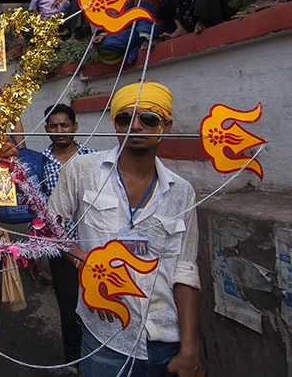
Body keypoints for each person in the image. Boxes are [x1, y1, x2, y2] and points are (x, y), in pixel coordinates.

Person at [49, 82, 204, 377]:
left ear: (166, 125)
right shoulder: (83, 170)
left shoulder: (181, 191)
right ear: (115, 124)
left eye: (148, 119)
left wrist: (190, 349)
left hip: (164, 338)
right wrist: (82, 259)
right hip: (105, 334)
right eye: (124, 118)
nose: (135, 126)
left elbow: (185, 269)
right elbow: (49, 227)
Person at [40, 104, 96, 366]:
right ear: (46, 129)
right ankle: (75, 360)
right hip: (60, 246)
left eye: (65, 125)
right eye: (54, 126)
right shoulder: (40, 163)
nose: (60, 130)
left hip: (94, 243)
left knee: (98, 299)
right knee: (69, 304)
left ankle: (100, 352)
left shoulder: (94, 159)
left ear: (75, 127)